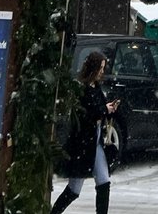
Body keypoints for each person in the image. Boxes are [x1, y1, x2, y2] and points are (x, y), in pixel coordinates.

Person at [52, 50, 119, 214]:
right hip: (82, 144)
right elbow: (87, 113)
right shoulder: (82, 88)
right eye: (100, 68)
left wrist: (108, 109)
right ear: (93, 68)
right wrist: (104, 109)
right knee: (74, 189)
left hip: (94, 142)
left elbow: (98, 109)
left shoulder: (95, 87)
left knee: (103, 182)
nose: (102, 72)